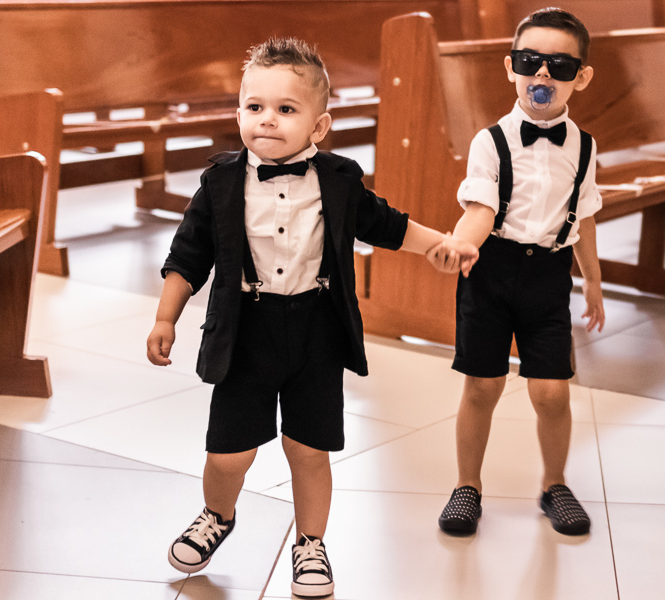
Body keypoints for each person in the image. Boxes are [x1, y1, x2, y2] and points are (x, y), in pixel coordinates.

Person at [146, 37, 477, 597]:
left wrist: (439, 244)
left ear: (319, 127)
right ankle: (217, 515)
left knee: (309, 447)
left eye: (285, 109)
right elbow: (187, 256)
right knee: (229, 452)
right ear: (239, 112)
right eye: (255, 107)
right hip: (244, 331)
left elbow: (388, 225)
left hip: (316, 330)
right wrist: (165, 319)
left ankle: (310, 543)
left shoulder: (340, 179)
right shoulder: (220, 182)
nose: (267, 121)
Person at [430, 8, 606, 537]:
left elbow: (586, 214)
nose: (544, 75)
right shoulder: (492, 142)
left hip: (549, 276)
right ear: (511, 68)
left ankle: (555, 484)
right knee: (482, 387)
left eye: (559, 65)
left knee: (552, 392)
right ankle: (467, 487)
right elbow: (481, 207)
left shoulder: (586, 146)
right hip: (491, 270)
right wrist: (460, 244)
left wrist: (592, 279)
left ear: (582, 76)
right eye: (532, 62)